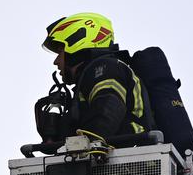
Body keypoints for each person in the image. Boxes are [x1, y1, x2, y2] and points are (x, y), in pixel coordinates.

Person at [41, 12, 154, 141]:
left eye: (60, 52)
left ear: (76, 41)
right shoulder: (94, 75)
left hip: (130, 155)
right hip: (118, 156)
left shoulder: (105, 69)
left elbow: (107, 113)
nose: (56, 61)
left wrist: (83, 150)